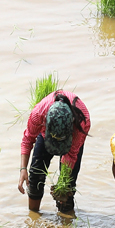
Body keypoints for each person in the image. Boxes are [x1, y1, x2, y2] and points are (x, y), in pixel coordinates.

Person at [18, 88, 91, 217]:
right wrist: (23, 169)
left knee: (67, 186)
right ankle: (33, 217)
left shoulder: (82, 121)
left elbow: (71, 155)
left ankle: (65, 223)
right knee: (35, 176)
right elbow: (28, 139)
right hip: (47, 133)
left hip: (73, 133)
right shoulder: (39, 113)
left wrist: (62, 186)